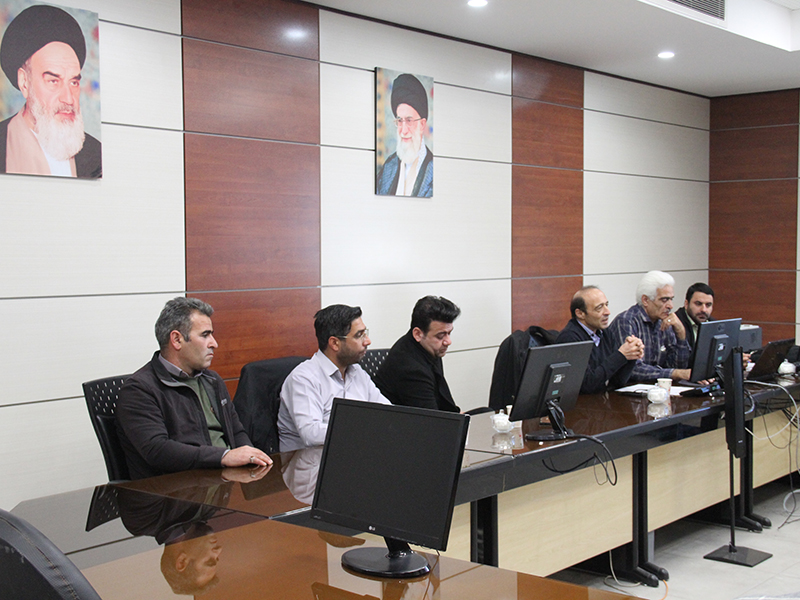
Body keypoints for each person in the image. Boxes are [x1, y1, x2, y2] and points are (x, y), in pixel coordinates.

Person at [117, 297, 271, 480]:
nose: (214, 343)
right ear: (177, 340)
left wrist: (251, 459)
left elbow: (236, 432)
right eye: (205, 335)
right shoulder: (139, 389)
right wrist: (224, 457)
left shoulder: (212, 380)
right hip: (175, 490)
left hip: (225, 483)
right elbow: (157, 450)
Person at [0, 4, 101, 178]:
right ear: (24, 83)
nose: (68, 99)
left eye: (73, 82)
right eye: (53, 81)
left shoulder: (95, 153)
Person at [277, 304, 390, 452]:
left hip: (352, 454)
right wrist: (364, 428)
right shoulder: (304, 378)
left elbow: (387, 412)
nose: (367, 341)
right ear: (335, 343)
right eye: (359, 335)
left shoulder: (356, 371)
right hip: (311, 462)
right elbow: (311, 434)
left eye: (365, 333)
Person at [375, 296, 461, 412]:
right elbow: (430, 419)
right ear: (418, 334)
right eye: (440, 336)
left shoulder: (428, 347)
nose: (448, 341)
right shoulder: (410, 368)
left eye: (449, 333)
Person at [555, 286, 644, 394]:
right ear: (580, 313)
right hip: (581, 402)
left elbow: (616, 382)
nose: (607, 312)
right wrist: (620, 355)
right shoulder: (570, 339)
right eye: (599, 308)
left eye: (606, 305)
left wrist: (631, 355)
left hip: (601, 399)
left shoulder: (605, 332)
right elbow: (587, 385)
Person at [607, 270, 692, 382]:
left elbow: (676, 366)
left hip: (657, 388)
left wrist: (681, 333)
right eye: (664, 300)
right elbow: (633, 370)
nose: (670, 306)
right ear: (645, 300)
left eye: (671, 299)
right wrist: (674, 373)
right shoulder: (626, 321)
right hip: (628, 389)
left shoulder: (664, 321)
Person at [376, 73, 432, 197]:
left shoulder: (433, 170)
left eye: (409, 120)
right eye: (399, 121)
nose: (403, 131)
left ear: (422, 124)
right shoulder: (388, 167)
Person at [675, 282, 715, 355]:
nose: (704, 310)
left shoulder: (713, 324)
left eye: (708, 305)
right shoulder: (675, 324)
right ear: (686, 304)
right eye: (698, 304)